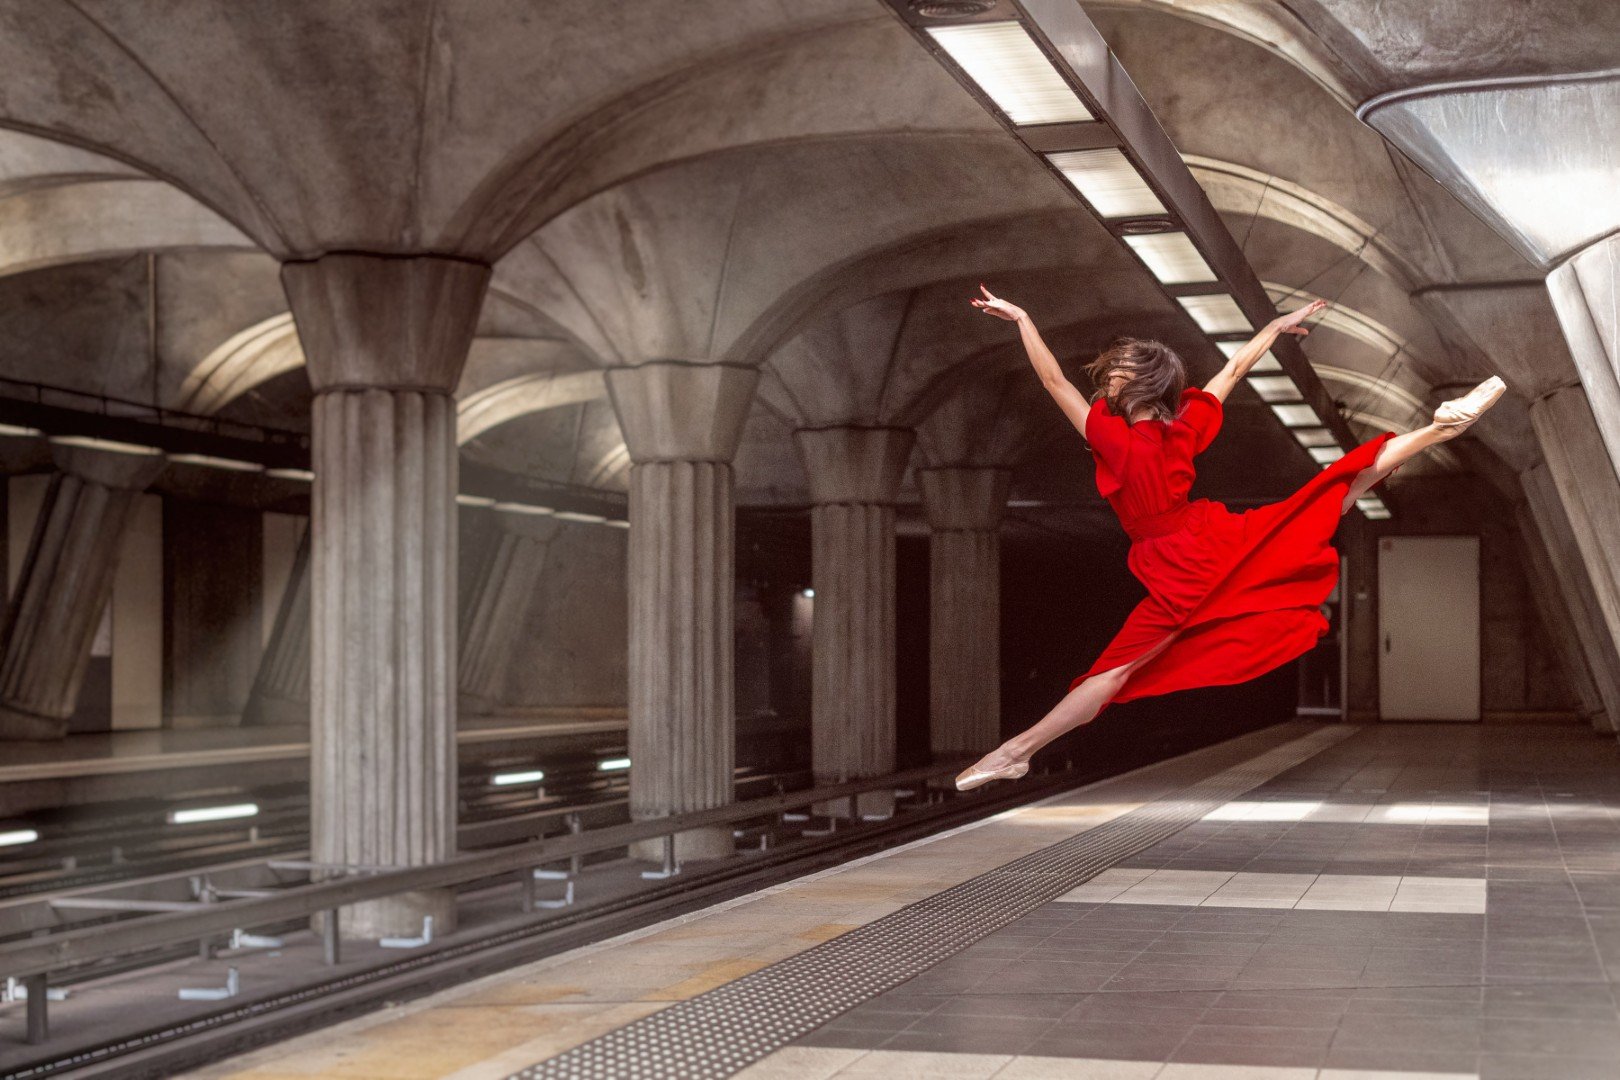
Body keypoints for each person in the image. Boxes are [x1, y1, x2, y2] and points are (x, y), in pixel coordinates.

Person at [955, 285, 1506, 791]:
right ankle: (1436, 429)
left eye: (1118, 370)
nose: (1110, 378)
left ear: (1137, 381)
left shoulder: (1115, 440)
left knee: (1115, 671)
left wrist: (1024, 319)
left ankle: (1015, 752)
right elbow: (1233, 372)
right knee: (1324, 498)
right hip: (1210, 535)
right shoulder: (1180, 430)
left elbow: (1054, 381)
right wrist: (1272, 329)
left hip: (1174, 562)